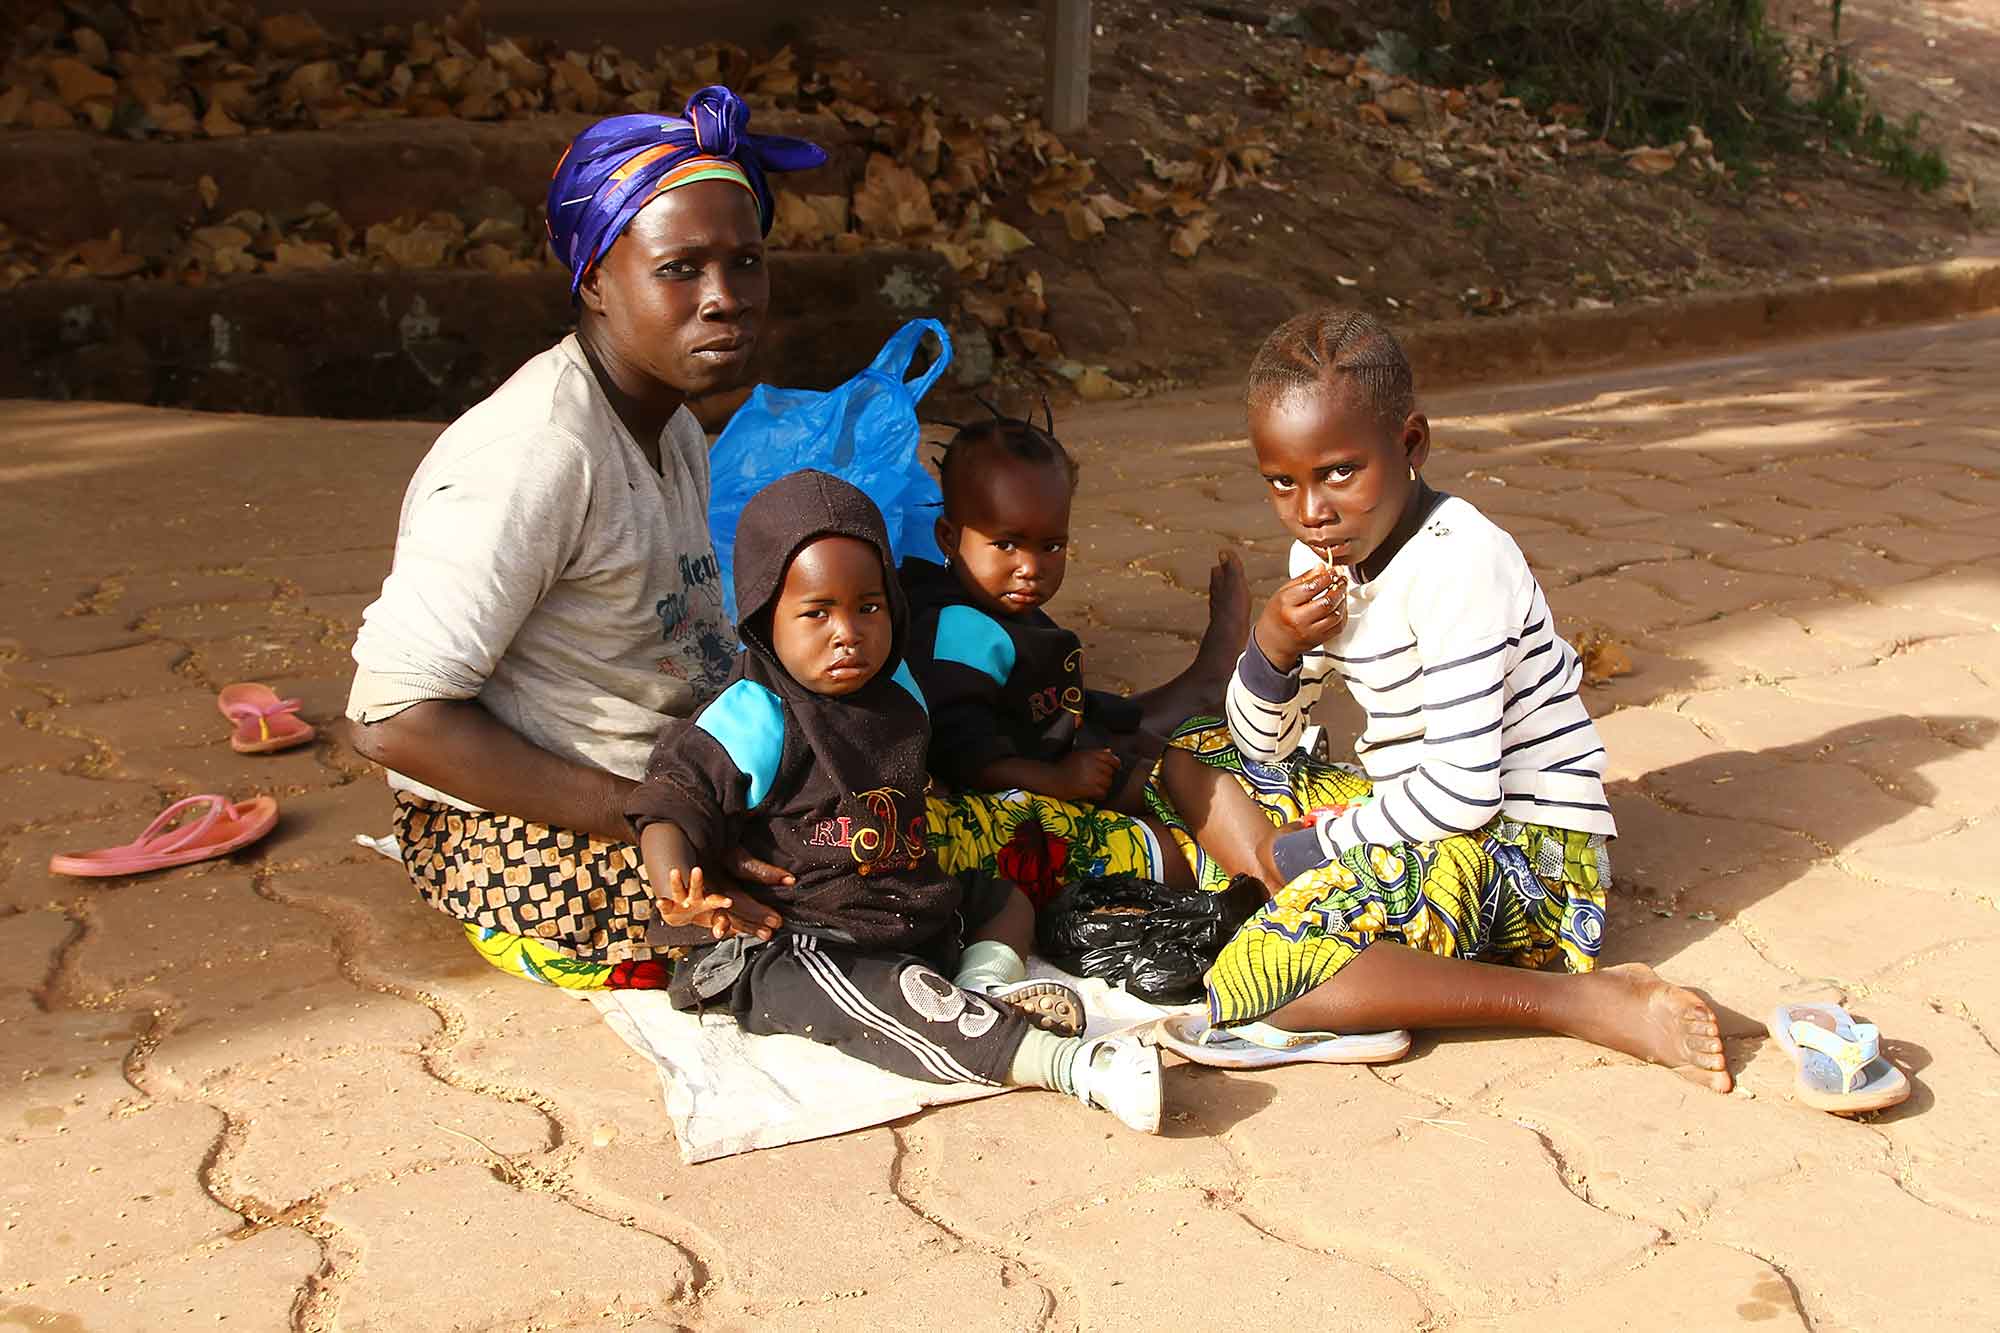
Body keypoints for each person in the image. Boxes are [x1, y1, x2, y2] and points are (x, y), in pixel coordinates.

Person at [1165, 310, 1731, 1090]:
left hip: (1525, 855)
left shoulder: (1463, 562)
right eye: (1280, 482)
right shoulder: (1325, 549)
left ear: (1411, 445)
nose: (1310, 510)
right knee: (1193, 755)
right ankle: (1328, 916)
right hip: (1415, 811)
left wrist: (1305, 850)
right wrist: (1272, 649)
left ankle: (1578, 1001)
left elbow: (1466, 792)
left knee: (1256, 976)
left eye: (1338, 472)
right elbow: (1260, 744)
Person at [344, 88, 825, 989]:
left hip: (675, 786)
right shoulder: (536, 455)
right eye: (680, 268)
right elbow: (391, 717)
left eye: (747, 261)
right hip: (539, 829)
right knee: (838, 909)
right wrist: (645, 813)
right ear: (596, 280)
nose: (726, 299)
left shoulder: (670, 421)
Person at [629, 470, 1162, 1130]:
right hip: (797, 934)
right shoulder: (756, 713)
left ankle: (990, 988)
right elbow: (675, 796)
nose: (847, 632)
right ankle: (1080, 1066)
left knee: (1002, 898)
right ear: (765, 617)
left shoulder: (897, 686)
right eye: (816, 612)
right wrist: (676, 877)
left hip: (904, 899)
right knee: (894, 997)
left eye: (869, 607)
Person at [905, 403, 1251, 901]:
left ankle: (1205, 699)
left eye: (1051, 546)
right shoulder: (959, 631)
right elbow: (968, 759)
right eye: (1006, 545)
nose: (1030, 567)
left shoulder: (1000, 609)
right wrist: (1057, 781)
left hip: (1061, 746)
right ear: (948, 538)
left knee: (1168, 757)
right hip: (1018, 798)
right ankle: (1250, 847)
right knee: (1181, 793)